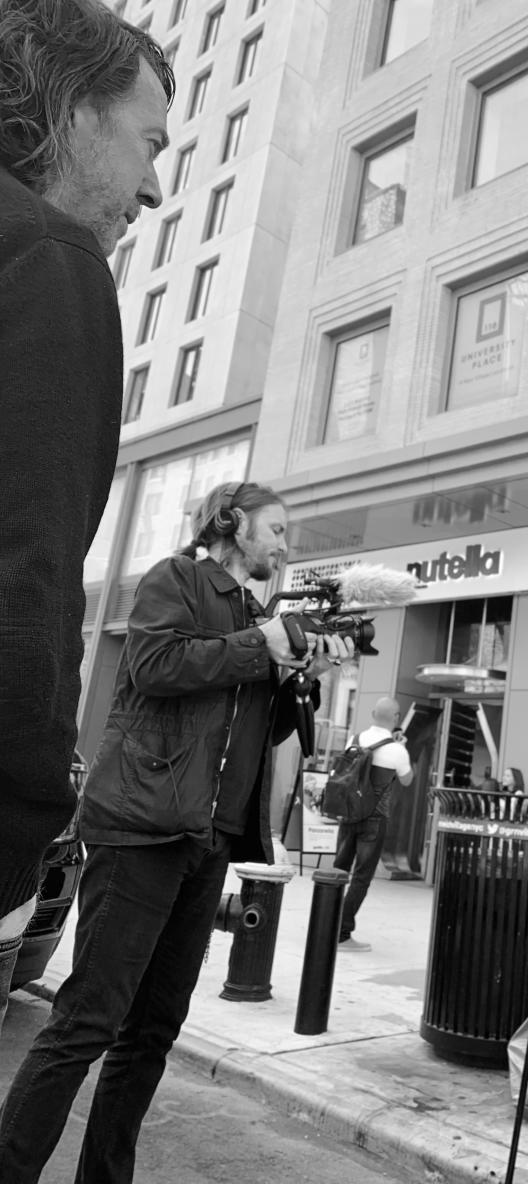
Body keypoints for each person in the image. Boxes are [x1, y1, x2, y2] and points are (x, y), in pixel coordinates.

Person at [0, 482, 353, 1184]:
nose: (285, 546)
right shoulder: (176, 578)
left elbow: (263, 727)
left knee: (152, 1030)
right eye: (275, 530)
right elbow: (155, 667)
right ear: (233, 523)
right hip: (143, 826)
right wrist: (263, 646)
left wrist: (299, 677)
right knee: (86, 1022)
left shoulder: (258, 614)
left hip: (209, 839)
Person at [0, 0, 174, 1035]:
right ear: (72, 109)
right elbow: (26, 584)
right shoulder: (49, 258)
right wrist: (24, 832)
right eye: (152, 144)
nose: (154, 191)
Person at [334, 696, 413, 951]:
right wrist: (401, 746)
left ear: (372, 713)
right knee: (361, 877)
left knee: (338, 871)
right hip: (375, 819)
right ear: (396, 718)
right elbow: (407, 780)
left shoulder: (353, 740)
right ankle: (342, 933)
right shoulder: (397, 750)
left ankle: (326, 922)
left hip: (348, 814)